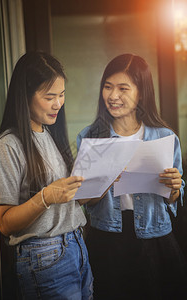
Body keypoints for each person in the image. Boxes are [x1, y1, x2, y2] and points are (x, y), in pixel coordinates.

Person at [77, 54, 187, 300]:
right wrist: (103, 181)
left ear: (141, 93)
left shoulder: (164, 137)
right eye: (107, 87)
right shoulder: (91, 136)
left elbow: (173, 197)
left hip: (155, 237)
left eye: (122, 88)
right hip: (107, 239)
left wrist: (175, 187)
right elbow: (85, 202)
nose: (113, 96)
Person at [0, 51, 93, 300]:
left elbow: (68, 204)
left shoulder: (50, 134)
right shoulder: (8, 145)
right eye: (50, 97)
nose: (58, 104)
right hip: (44, 256)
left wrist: (99, 182)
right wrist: (46, 197)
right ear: (25, 96)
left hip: (76, 247)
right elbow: (4, 223)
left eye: (61, 95)